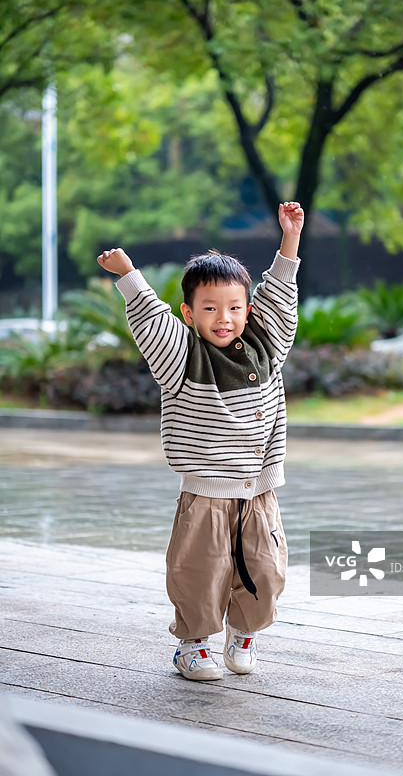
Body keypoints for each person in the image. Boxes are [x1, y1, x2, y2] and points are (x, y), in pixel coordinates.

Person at [96, 201, 303, 680]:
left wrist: (289, 238)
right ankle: (192, 644)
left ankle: (243, 635)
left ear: (248, 312)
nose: (223, 317)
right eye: (209, 309)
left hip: (259, 489)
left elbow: (281, 297)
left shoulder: (266, 343)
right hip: (207, 491)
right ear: (189, 313)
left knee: (266, 573)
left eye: (234, 307)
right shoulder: (182, 358)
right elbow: (152, 321)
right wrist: (128, 274)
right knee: (200, 573)